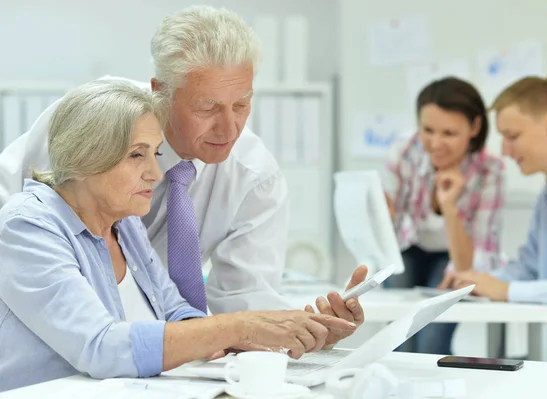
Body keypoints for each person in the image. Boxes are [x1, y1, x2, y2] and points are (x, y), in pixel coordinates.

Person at [0, 5, 367, 325]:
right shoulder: (96, 119)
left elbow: (245, 308)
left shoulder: (255, 179)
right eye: (207, 107)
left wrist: (304, 330)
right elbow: (9, 195)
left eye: (241, 105)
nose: (229, 128)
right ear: (160, 90)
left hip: (153, 347)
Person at [0, 80, 359, 392]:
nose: (155, 173)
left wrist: (273, 333)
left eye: (155, 154)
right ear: (85, 156)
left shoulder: (123, 224)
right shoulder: (27, 226)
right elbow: (101, 347)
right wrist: (238, 326)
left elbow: (177, 312)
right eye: (136, 155)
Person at [448, 77, 547, 365]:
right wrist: (478, 281)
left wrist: (507, 291)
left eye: (512, 136)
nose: (505, 150)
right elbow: (530, 269)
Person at [382, 77, 504, 355]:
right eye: (427, 130)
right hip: (406, 246)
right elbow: (387, 222)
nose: (435, 143)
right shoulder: (404, 149)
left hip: (453, 255)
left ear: (474, 127)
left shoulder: (490, 171)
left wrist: (450, 208)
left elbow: (467, 264)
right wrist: (380, 211)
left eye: (449, 133)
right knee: (399, 338)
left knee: (432, 340)